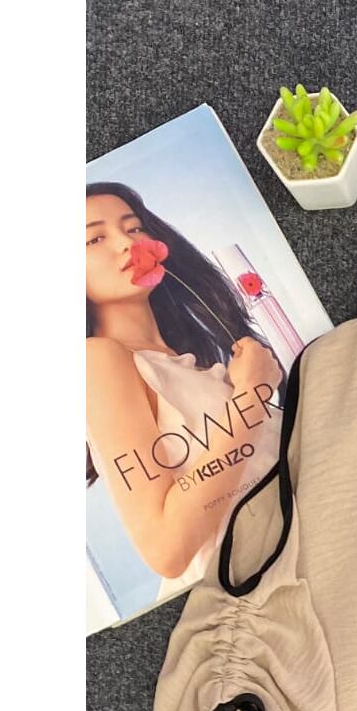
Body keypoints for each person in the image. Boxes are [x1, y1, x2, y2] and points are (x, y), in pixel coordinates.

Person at [86, 183, 284, 582]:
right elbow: (167, 549)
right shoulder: (96, 359)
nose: (127, 243)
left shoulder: (193, 364)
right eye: (94, 239)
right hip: (258, 576)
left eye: (134, 228)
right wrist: (252, 396)